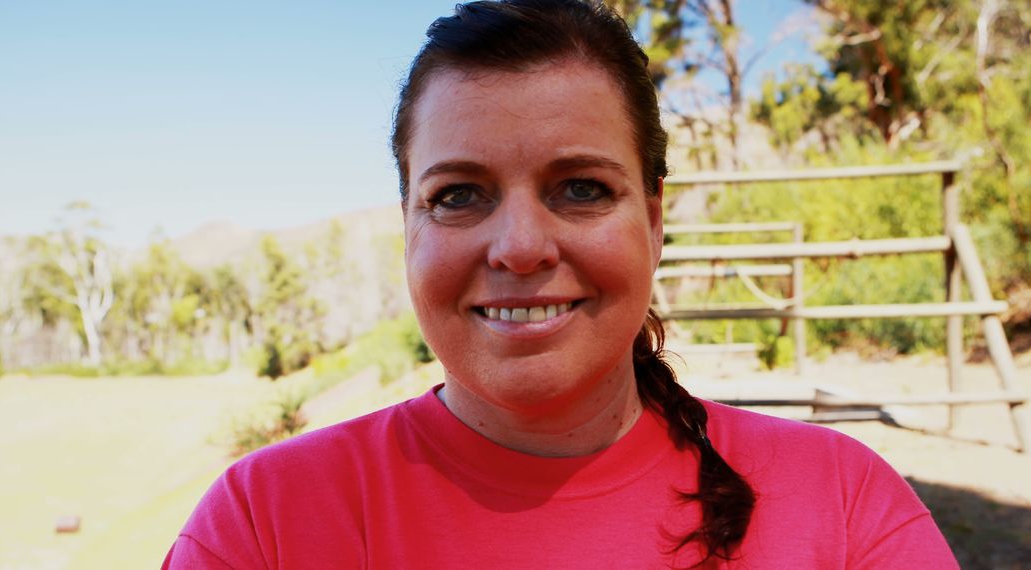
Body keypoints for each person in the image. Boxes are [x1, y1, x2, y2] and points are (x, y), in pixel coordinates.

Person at [163, 1, 958, 567]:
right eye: (458, 195)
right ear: (408, 227)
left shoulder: (843, 507)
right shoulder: (261, 527)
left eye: (580, 187)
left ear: (652, 221)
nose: (519, 247)